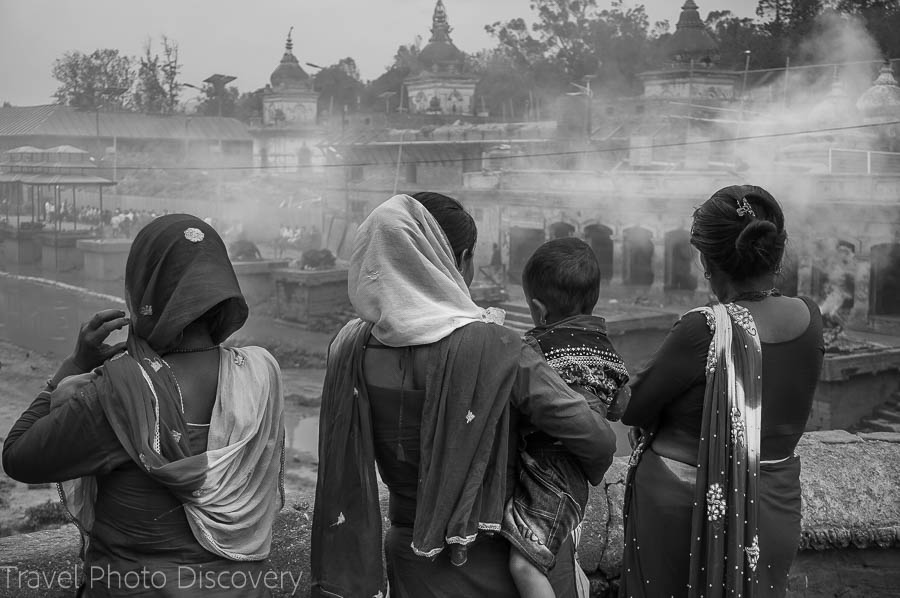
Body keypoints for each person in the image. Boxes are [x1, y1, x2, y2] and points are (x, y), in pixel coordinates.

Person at [310, 193, 616, 598]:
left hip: (414, 562)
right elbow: (596, 439)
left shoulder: (350, 348)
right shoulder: (497, 347)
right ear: (460, 259)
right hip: (507, 559)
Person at [3, 214, 286, 597]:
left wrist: (72, 367)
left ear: (143, 292)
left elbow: (19, 455)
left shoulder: (120, 391)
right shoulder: (261, 375)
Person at [620, 185, 825, 598]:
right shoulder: (810, 317)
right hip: (775, 507)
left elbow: (634, 408)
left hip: (686, 509)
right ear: (775, 253)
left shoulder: (705, 327)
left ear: (708, 263)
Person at [504, 237, 630, 598]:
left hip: (549, 474)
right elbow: (621, 406)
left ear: (539, 310)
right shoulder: (609, 351)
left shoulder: (533, 348)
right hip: (576, 477)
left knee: (524, 563)